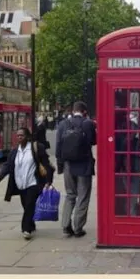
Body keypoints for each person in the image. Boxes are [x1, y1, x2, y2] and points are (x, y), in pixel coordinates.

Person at [0, 127, 55, 239]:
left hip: (33, 182)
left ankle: (26, 229)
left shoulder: (37, 148)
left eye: (21, 135)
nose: (19, 137)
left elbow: (46, 165)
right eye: (17, 135)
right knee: (26, 206)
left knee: (29, 205)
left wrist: (48, 181)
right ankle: (31, 224)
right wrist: (0, 176)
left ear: (27, 137)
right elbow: (8, 165)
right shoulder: (14, 151)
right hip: (20, 184)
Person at [55, 101, 96, 238]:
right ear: (84, 111)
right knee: (83, 196)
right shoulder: (88, 123)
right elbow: (93, 141)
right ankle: (78, 228)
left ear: (72, 110)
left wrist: (60, 166)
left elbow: (58, 146)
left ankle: (66, 225)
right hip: (84, 164)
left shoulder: (62, 124)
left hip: (68, 165)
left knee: (70, 195)